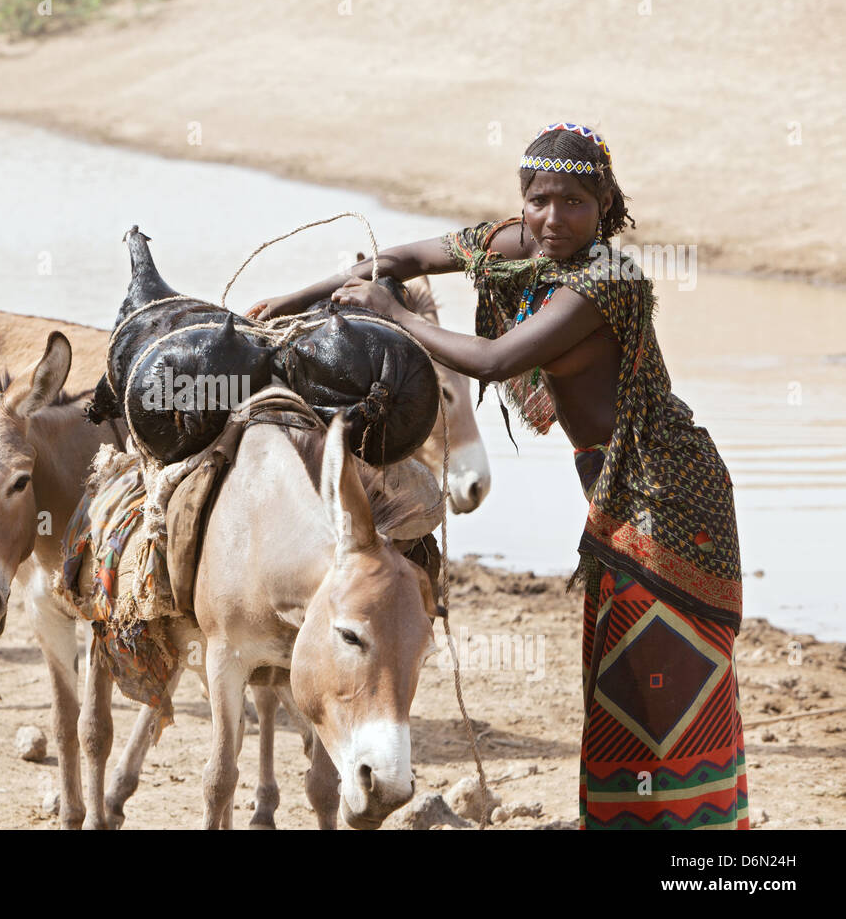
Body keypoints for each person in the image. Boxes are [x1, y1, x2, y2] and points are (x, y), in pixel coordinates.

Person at [248, 123, 748, 830]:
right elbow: (404, 257)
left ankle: (703, 830)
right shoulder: (521, 246)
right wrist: (302, 297)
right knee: (620, 667)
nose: (554, 218)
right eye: (541, 200)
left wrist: (392, 316)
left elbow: (493, 360)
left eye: (575, 202)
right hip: (613, 485)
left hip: (668, 490)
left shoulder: (608, 282)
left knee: (664, 667)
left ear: (605, 206)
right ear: (523, 201)